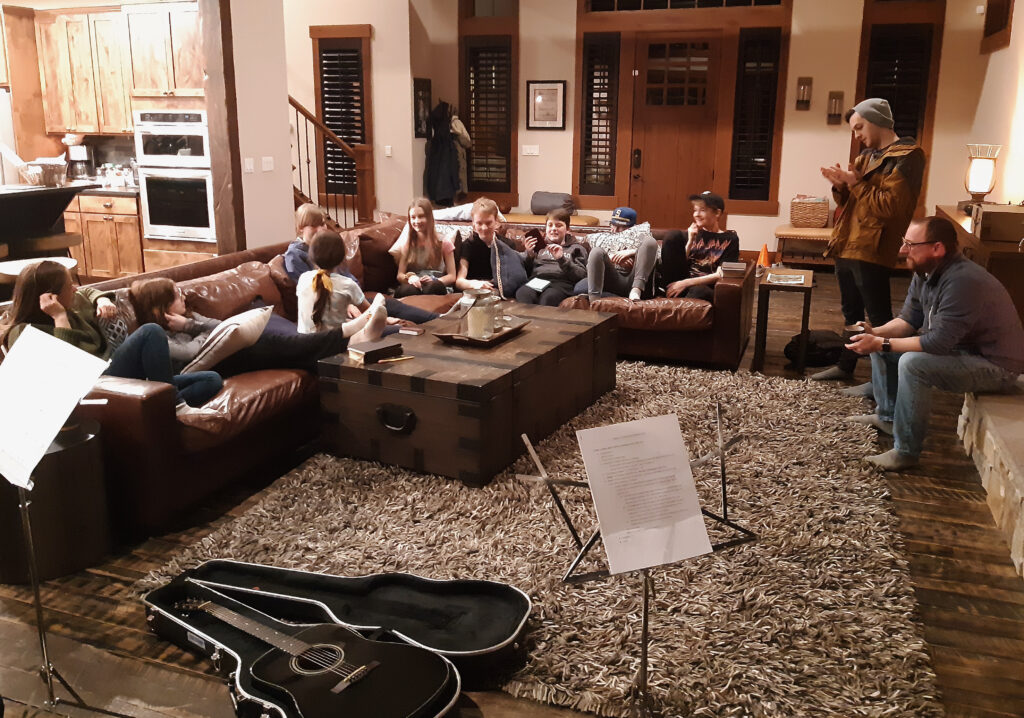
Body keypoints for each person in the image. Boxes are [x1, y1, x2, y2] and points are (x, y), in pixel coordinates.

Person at [845, 216, 1024, 470]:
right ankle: (888, 417)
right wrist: (874, 332)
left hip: (996, 366)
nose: (902, 250)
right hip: (962, 349)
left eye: (910, 244)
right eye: (904, 242)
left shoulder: (963, 281)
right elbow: (907, 320)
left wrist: (880, 343)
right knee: (885, 342)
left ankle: (906, 451)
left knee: (911, 363)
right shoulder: (925, 271)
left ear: (937, 248)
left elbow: (937, 343)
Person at [0, 260, 222, 409]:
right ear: (51, 297)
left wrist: (102, 299)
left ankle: (162, 406)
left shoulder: (75, 305)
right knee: (150, 332)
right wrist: (60, 319)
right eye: (69, 286)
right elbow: (63, 370)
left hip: (115, 372)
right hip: (92, 387)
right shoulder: (23, 333)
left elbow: (88, 290)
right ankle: (173, 405)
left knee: (212, 380)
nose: (75, 289)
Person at [814, 97, 926, 384]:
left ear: (878, 121)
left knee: (879, 320)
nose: (857, 135)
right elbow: (853, 202)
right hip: (847, 242)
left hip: (874, 247)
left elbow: (890, 207)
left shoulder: (908, 155)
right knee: (851, 312)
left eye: (860, 127)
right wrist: (840, 186)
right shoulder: (867, 157)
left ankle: (885, 385)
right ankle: (846, 365)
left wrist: (854, 182)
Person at [128, 277, 359, 376]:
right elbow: (193, 352)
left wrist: (190, 325)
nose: (184, 299)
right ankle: (348, 336)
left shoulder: (188, 317)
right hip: (215, 368)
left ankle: (350, 340)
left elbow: (220, 326)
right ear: (162, 307)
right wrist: (193, 328)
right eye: (177, 297)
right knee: (268, 343)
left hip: (227, 356)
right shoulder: (156, 338)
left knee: (285, 350)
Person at [284, 203, 438, 326]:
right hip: (330, 310)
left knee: (394, 306)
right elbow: (314, 292)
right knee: (393, 328)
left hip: (351, 299)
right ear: (300, 229)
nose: (321, 229)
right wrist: (348, 304)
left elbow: (350, 280)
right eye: (313, 226)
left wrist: (351, 299)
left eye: (322, 224)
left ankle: (443, 318)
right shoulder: (295, 255)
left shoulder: (327, 246)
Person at [296, 229, 388, 339]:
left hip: (303, 341)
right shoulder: (348, 285)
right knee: (392, 327)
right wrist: (386, 319)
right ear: (342, 256)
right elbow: (369, 314)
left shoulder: (304, 278)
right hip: (335, 343)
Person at [658, 191, 739, 302]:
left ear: (717, 213)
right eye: (695, 210)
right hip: (680, 281)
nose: (696, 214)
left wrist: (685, 283)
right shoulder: (693, 233)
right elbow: (680, 263)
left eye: (702, 210)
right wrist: (690, 240)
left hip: (702, 286)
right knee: (673, 235)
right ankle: (663, 290)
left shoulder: (730, 239)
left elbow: (720, 274)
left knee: (699, 291)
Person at [576, 207, 659, 302]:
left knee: (650, 241)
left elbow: (658, 255)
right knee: (596, 252)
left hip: (636, 280)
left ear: (633, 227)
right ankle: (595, 301)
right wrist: (612, 258)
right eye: (613, 225)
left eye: (621, 227)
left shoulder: (642, 235)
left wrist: (634, 252)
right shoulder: (602, 237)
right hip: (614, 279)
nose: (615, 230)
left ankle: (635, 292)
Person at [455, 197, 526, 299]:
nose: (484, 228)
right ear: (473, 224)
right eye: (479, 223)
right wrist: (476, 284)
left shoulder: (508, 244)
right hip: (476, 293)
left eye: (488, 223)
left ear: (496, 222)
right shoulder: (468, 245)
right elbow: (459, 281)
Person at [516, 208, 590, 306]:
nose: (553, 228)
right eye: (550, 225)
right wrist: (529, 255)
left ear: (567, 229)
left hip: (560, 284)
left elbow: (581, 276)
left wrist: (561, 259)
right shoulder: (539, 246)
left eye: (558, 225)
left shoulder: (577, 248)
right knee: (523, 293)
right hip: (538, 281)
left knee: (548, 297)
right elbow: (525, 272)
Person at [395, 197, 457, 297]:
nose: (417, 221)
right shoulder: (407, 244)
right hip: (415, 284)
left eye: (421, 216)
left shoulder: (444, 242)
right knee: (406, 291)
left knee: (432, 287)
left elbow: (452, 276)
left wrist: (435, 279)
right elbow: (400, 275)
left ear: (429, 218)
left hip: (436, 283)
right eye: (413, 217)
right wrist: (410, 277)